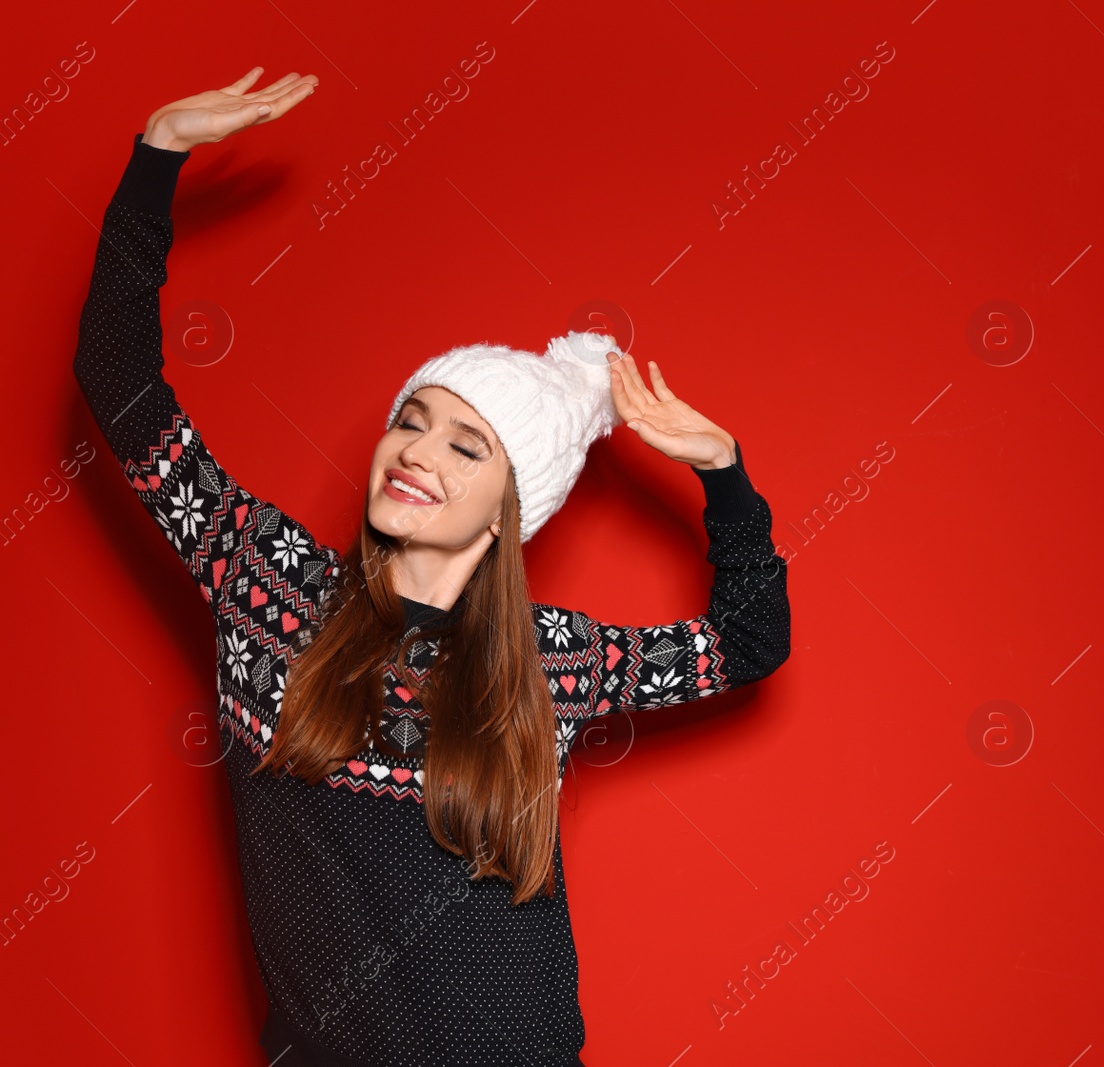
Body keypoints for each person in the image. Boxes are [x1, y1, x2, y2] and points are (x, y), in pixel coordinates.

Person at [72, 66, 790, 1067]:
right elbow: (119, 380)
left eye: (465, 445)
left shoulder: (554, 661)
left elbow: (749, 645)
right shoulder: (267, 583)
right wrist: (158, 155)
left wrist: (722, 474)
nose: (417, 450)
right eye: (412, 419)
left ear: (509, 509)